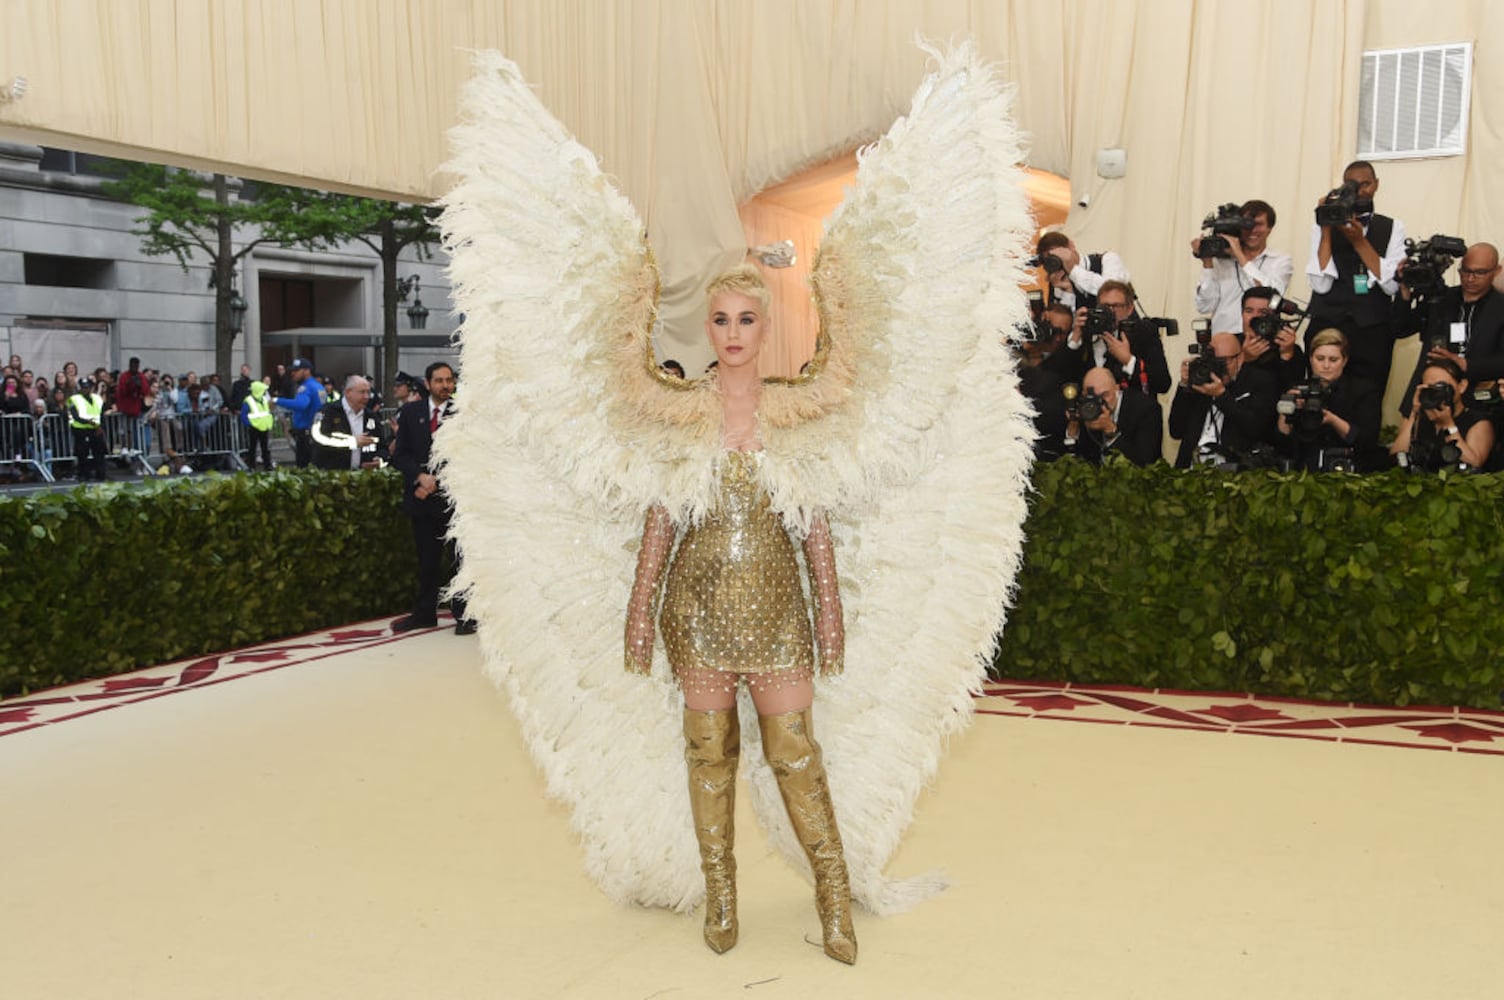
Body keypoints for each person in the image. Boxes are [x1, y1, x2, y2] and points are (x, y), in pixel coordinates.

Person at [624, 267, 856, 964]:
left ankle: (835, 899)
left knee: (796, 755)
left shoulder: (793, 410)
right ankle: (721, 893)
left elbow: (813, 522)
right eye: (720, 320)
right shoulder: (682, 412)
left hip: (778, 605)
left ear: (767, 326)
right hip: (694, 608)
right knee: (709, 755)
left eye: (746, 319)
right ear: (707, 328)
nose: (732, 333)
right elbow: (660, 519)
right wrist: (640, 608)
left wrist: (829, 608)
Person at [390, 361, 476, 635]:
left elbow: (469, 455)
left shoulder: (463, 413)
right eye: (439, 380)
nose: (445, 385)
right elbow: (400, 454)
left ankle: (465, 616)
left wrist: (434, 481)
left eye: (449, 380)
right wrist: (419, 476)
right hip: (421, 502)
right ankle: (424, 614)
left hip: (454, 503)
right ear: (428, 384)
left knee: (459, 561)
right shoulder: (410, 412)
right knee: (427, 561)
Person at [1305, 160, 1408, 388]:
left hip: (1372, 332)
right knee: (1319, 394)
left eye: (1366, 184)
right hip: (1328, 325)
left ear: (1376, 185)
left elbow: (1391, 286)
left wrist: (1359, 242)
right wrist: (1326, 227)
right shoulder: (1323, 224)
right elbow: (1320, 284)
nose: (1361, 190)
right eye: (1353, 185)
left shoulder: (1392, 227)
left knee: (1368, 396)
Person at [1392, 242, 1504, 416]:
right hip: (1427, 398)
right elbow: (1401, 329)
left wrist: (1466, 364)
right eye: (1465, 271)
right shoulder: (1441, 298)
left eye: (1479, 272)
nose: (1470, 278)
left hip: (1478, 404)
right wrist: (1404, 291)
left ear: (1496, 271)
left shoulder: (1500, 307)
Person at [1274, 329, 1381, 471]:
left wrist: (1332, 420)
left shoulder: (1363, 391)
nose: (1326, 366)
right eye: (1320, 358)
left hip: (1349, 469)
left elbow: (1367, 441)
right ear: (1311, 359)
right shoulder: (1298, 389)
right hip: (1304, 469)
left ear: (1345, 361)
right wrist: (1285, 411)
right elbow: (1282, 443)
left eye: (1333, 360)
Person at [1168, 331, 1278, 468]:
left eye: (1225, 361)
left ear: (1240, 358)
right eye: (1214, 361)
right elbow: (1176, 430)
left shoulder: (1260, 381)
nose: (1219, 367)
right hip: (1191, 471)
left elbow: (1256, 429)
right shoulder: (1201, 380)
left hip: (1234, 471)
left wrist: (1221, 396)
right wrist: (1185, 385)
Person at [1046, 279, 1171, 397]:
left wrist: (1128, 360)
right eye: (1105, 306)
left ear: (1129, 309)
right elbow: (1054, 375)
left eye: (1116, 306)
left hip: (1128, 413)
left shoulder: (1143, 332)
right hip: (1087, 411)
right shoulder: (1086, 332)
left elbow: (1162, 383)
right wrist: (1075, 338)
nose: (1110, 311)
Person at [1192, 199, 1293, 334]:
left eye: (1258, 225)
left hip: (1260, 337)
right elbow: (1204, 306)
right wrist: (1207, 263)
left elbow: (1271, 298)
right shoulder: (1221, 261)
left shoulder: (1280, 261)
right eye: (1246, 225)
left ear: (1270, 228)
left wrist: (1240, 255)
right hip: (1224, 340)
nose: (1252, 230)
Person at [1390, 357, 1495, 472]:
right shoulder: (1421, 417)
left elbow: (1474, 464)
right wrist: (1414, 412)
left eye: (1441, 386)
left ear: (1462, 386)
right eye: (1430, 387)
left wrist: (1448, 426)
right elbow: (1398, 457)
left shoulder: (1478, 421)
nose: (1436, 392)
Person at [1062, 365, 1163, 466]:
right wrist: (1073, 428)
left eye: (1104, 395)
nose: (1099, 403)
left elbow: (1144, 462)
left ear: (1117, 388)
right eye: (1093, 397)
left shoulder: (1146, 409)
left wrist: (1111, 431)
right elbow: (1072, 461)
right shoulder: (1085, 407)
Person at [1035, 231, 1129, 311]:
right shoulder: (1057, 282)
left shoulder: (1108, 259)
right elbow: (1064, 328)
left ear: (1071, 246)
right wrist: (1067, 292)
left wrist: (1073, 270)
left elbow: (1112, 291)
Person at [1238, 287, 1306, 392]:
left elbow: (1292, 391)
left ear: (1275, 317)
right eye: (1249, 311)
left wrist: (1286, 356)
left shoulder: (1289, 349)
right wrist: (1245, 360)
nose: (1254, 317)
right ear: (1242, 314)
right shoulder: (1230, 344)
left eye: (1263, 312)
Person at [311, 375, 381, 471]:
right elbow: (318, 437)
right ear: (348, 392)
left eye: (368, 392)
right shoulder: (328, 411)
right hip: (332, 476)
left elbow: (381, 445)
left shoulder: (371, 416)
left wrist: (379, 460)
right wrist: (352, 442)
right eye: (362, 392)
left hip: (363, 477)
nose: (366, 397)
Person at [272, 358, 324, 468]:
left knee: (304, 469)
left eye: (297, 370)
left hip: (306, 433)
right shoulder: (318, 386)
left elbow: (301, 404)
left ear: (307, 371)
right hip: (317, 432)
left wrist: (277, 400)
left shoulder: (306, 387)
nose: (293, 373)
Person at [67, 375, 107, 481]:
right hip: (81, 429)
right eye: (84, 387)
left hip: (96, 429)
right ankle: (84, 474)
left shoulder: (97, 398)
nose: (86, 389)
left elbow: (101, 414)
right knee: (82, 453)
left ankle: (100, 474)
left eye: (88, 387)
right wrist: (89, 422)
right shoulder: (74, 399)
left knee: (99, 452)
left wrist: (101, 427)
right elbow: (75, 415)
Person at [240, 379, 276, 471]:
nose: (264, 392)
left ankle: (267, 465)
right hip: (254, 427)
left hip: (264, 426)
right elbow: (243, 415)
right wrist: (249, 424)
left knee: (265, 447)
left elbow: (267, 411)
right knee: (253, 447)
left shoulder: (263, 399)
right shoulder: (248, 401)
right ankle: (252, 465)